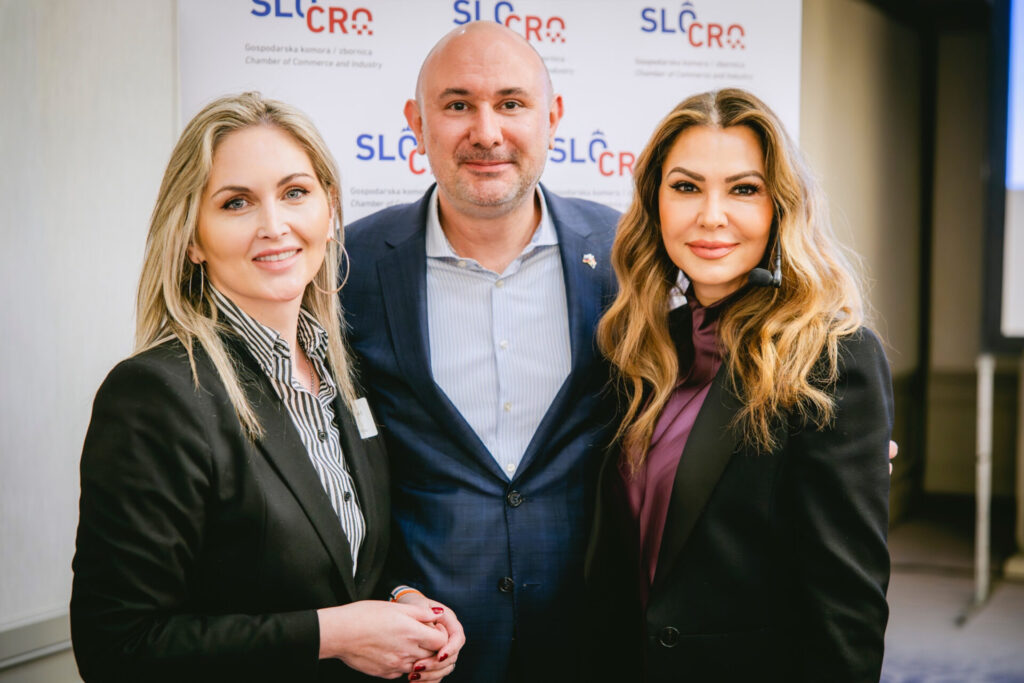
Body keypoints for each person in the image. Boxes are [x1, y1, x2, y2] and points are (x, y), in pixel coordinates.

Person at [70, 92, 464, 683]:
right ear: (192, 238)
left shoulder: (343, 372)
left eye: (295, 193)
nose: (274, 226)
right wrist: (335, 635)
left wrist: (403, 601)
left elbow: (339, 567)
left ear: (330, 211)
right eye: (236, 203)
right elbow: (119, 647)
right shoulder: (154, 396)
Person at [341, 21, 619, 681]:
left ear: (552, 118)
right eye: (458, 104)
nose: (486, 132)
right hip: (424, 647)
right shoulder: (348, 266)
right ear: (417, 123)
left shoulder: (625, 253)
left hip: (595, 636)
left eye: (511, 103)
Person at [586, 88, 893, 681]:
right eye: (686, 187)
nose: (711, 215)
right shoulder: (643, 350)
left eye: (743, 189)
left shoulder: (831, 357)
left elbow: (847, 608)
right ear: (655, 203)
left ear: (781, 207)